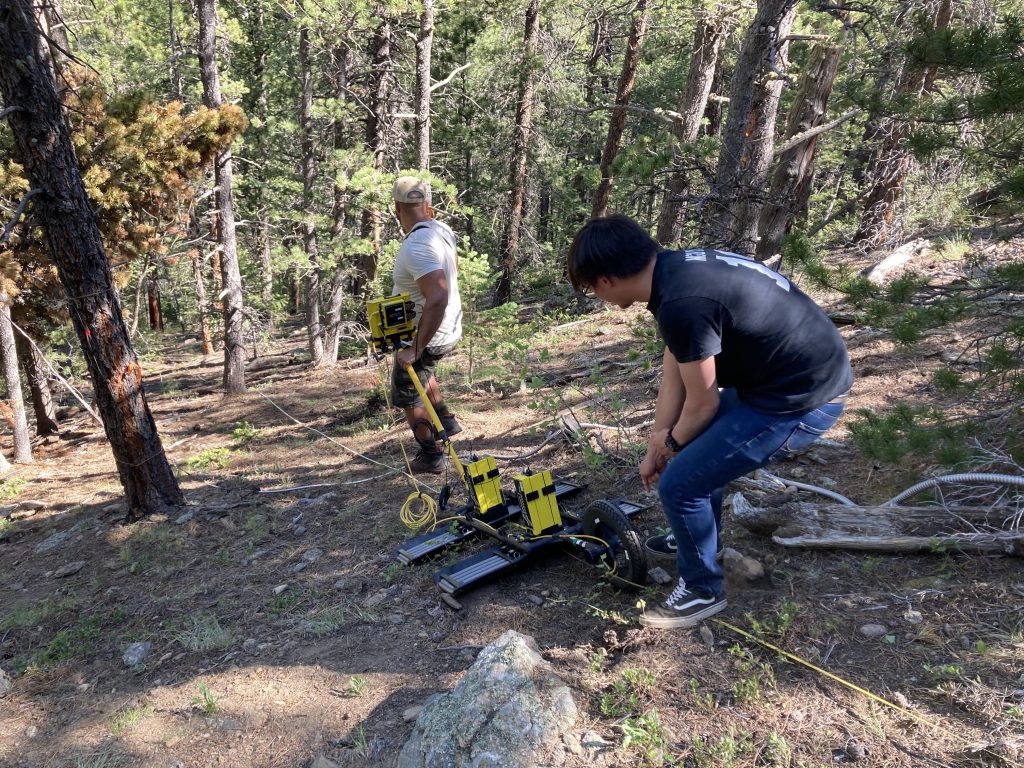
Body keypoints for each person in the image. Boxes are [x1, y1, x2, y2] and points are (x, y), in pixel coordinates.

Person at [567, 214, 852, 629]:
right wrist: (658, 439)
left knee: (681, 483)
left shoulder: (682, 302)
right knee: (697, 464)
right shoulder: (674, 273)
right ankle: (699, 541)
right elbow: (676, 368)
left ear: (606, 280)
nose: (598, 296)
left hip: (801, 402)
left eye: (592, 288)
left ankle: (702, 589)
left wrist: (673, 449)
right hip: (786, 382)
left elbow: (702, 407)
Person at [390, 176, 463, 473]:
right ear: (425, 204)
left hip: (432, 332)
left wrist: (416, 348)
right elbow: (453, 268)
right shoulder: (440, 229)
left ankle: (432, 454)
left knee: (407, 387)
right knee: (424, 374)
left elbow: (438, 296)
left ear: (397, 207)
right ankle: (445, 421)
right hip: (445, 326)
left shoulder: (417, 245)